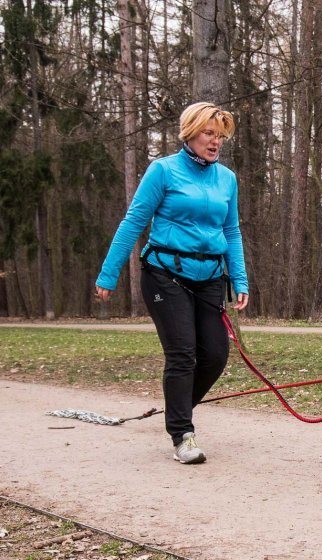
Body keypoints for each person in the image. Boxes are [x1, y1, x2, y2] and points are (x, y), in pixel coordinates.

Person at [95, 102, 249, 465]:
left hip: (211, 276)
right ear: (189, 133)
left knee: (214, 355)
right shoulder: (163, 170)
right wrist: (109, 272)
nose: (215, 142)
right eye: (208, 134)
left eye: (220, 136)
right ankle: (182, 433)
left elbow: (231, 229)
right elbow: (134, 222)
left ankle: (176, 408)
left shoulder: (227, 178)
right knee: (183, 353)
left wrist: (239, 277)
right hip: (165, 273)